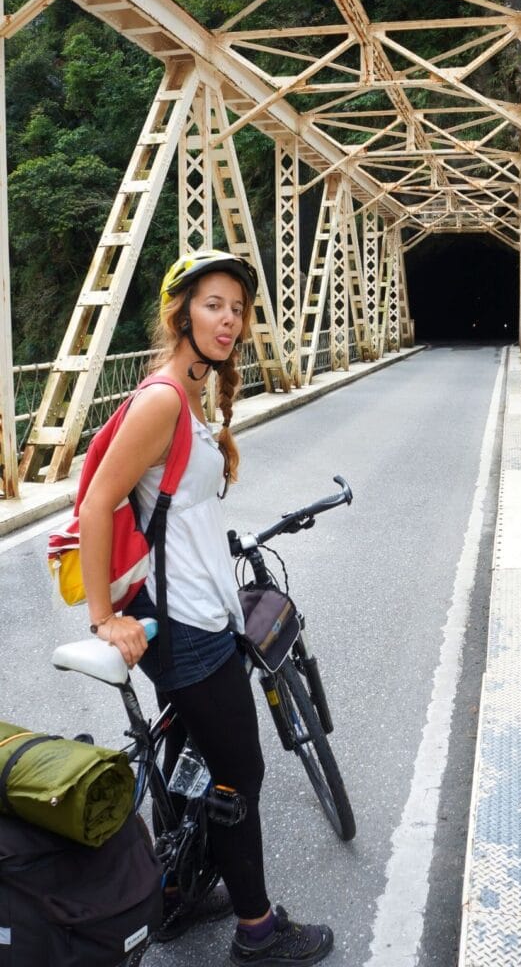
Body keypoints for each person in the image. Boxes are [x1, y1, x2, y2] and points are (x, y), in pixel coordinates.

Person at [78, 249, 334, 966]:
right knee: (239, 774)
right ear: (181, 312)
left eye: (238, 308)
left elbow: (177, 511)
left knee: (199, 760)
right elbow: (99, 500)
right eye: (213, 304)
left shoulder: (191, 399)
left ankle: (176, 888)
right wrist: (105, 618)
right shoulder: (163, 398)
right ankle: (257, 931)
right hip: (185, 626)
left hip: (202, 609)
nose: (229, 319)